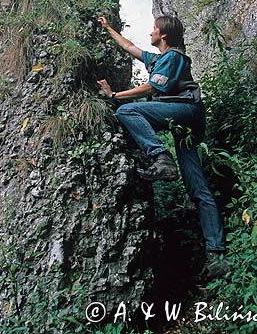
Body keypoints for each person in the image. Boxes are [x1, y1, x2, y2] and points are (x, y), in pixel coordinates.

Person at [97, 14, 228, 280]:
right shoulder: (158, 59)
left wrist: (114, 96)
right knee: (196, 186)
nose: (151, 32)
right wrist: (108, 28)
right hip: (184, 122)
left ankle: (160, 157)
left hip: (185, 111)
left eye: (154, 29)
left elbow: (148, 89)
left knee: (128, 112)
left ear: (164, 34)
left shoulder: (174, 58)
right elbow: (129, 47)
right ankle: (216, 255)